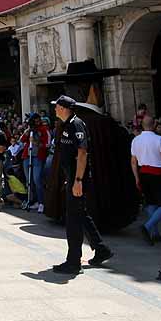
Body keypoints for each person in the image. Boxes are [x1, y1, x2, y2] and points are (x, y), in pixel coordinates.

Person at [51, 95, 113, 274]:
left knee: (73, 221)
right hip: (72, 176)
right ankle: (101, 249)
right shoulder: (66, 125)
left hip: (79, 178)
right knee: (81, 214)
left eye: (57, 106)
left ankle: (73, 262)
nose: (55, 109)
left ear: (64, 108)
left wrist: (77, 180)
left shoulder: (76, 124)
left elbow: (82, 153)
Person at [130, 116, 161, 244]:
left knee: (151, 203)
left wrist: (136, 178)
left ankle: (154, 233)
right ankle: (147, 227)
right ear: (154, 124)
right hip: (157, 174)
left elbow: (133, 162)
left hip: (143, 173)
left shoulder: (136, 140)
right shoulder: (159, 139)